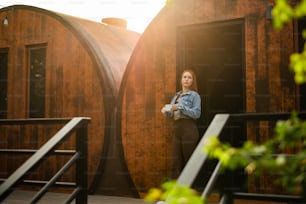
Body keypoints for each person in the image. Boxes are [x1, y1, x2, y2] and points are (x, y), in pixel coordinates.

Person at [161, 69, 201, 178]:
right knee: (175, 162)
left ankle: (191, 189)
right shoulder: (176, 96)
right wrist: (166, 111)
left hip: (189, 129)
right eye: (184, 77)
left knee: (189, 161)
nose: (186, 79)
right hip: (177, 129)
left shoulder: (194, 95)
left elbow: (197, 114)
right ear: (181, 80)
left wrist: (180, 107)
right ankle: (175, 190)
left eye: (189, 77)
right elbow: (172, 113)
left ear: (193, 81)